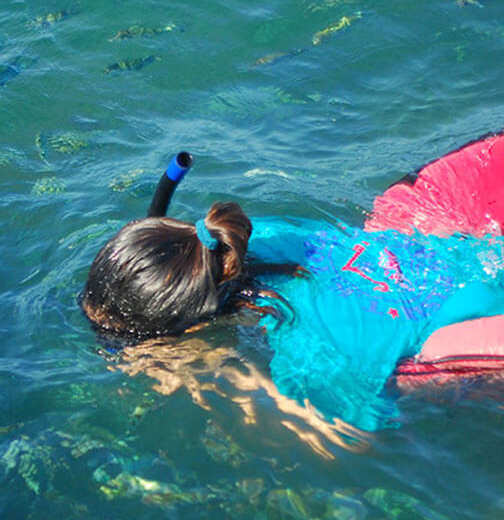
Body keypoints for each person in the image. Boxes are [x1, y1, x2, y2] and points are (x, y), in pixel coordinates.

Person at [81, 133, 504, 431]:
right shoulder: (237, 236)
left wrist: (221, 379)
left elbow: (351, 433)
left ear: (194, 327)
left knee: (421, 369)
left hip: (470, 312)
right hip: (443, 246)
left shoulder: (312, 347)